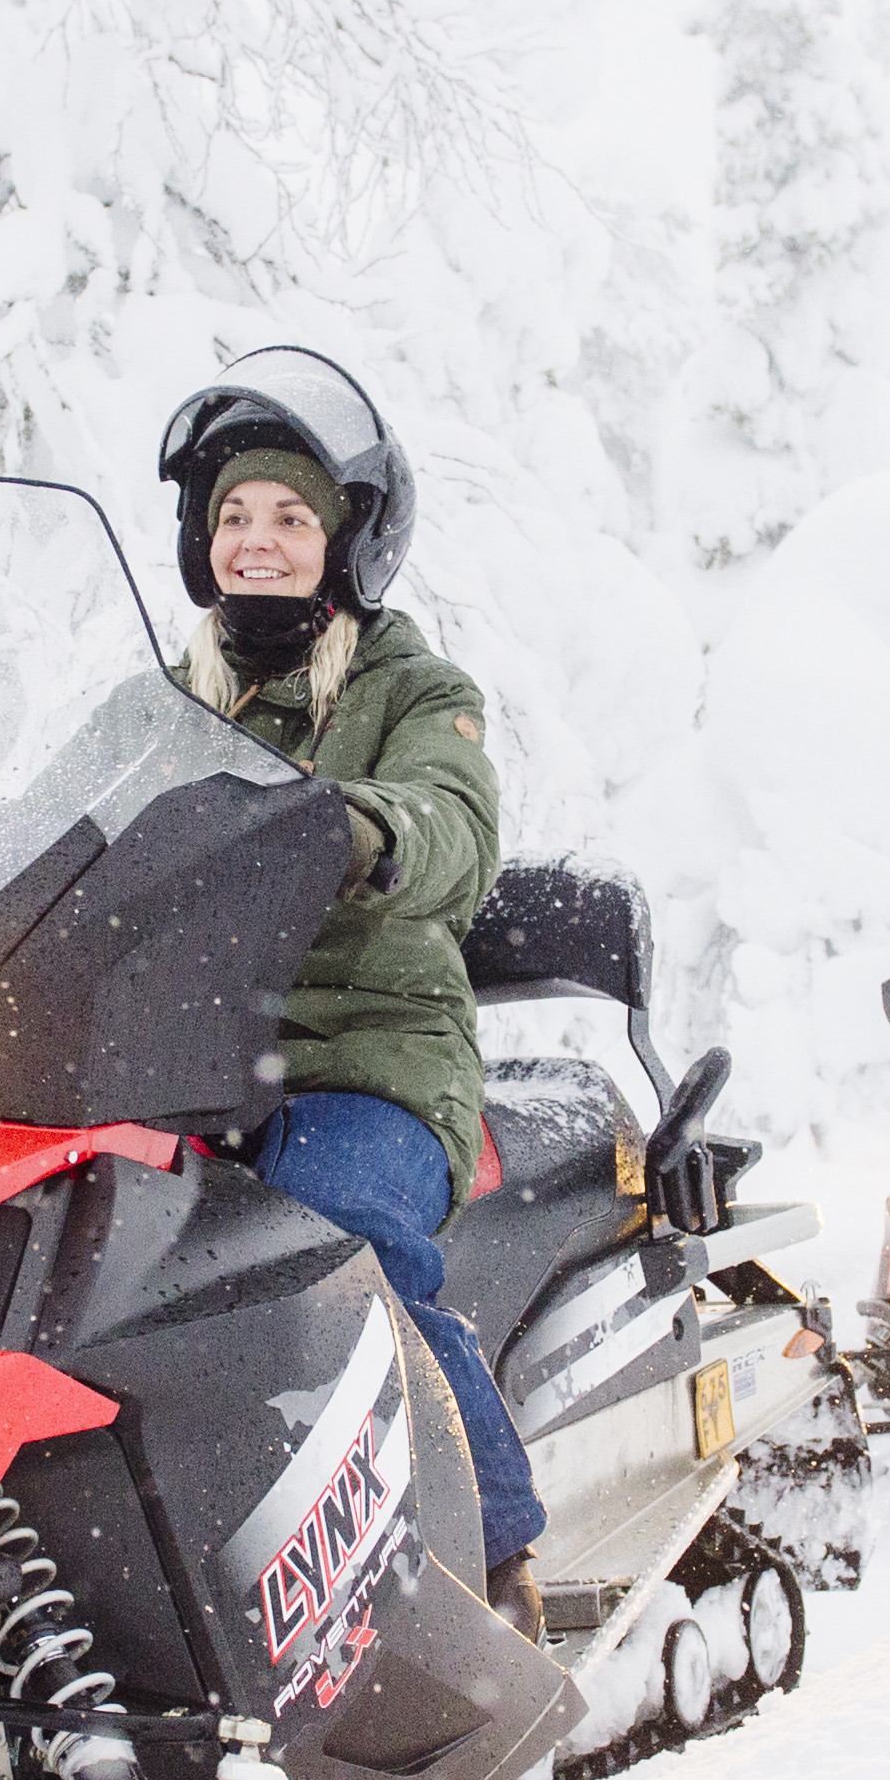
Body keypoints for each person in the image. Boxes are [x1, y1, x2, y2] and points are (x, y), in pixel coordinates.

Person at [149, 347, 556, 1642]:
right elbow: (49, 829)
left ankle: (490, 1574)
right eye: (233, 517)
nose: (257, 542)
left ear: (345, 542)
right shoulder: (161, 710)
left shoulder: (412, 691)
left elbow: (453, 821)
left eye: (290, 517)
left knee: (331, 1244)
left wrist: (364, 828)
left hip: (369, 1066)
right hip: (189, 1074)